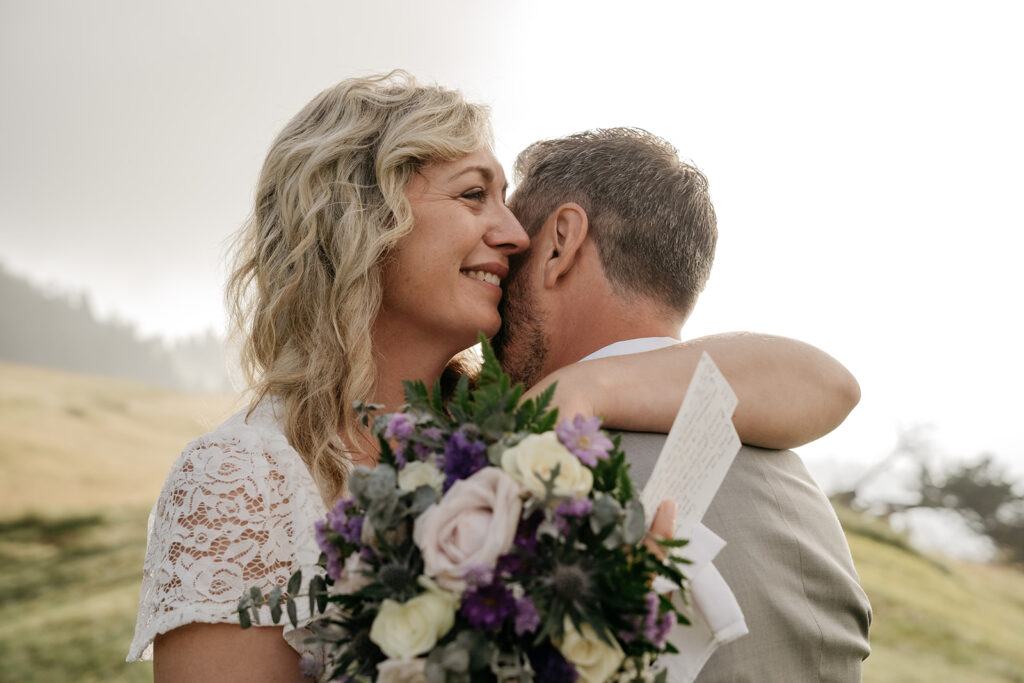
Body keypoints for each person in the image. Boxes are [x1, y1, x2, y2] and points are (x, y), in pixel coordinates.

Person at [127, 74, 860, 681]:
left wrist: (582, 394)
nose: (513, 233)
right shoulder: (241, 476)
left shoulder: (507, 433)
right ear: (363, 219)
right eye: (475, 194)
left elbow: (818, 380)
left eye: (507, 200)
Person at [495, 127, 873, 681]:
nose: (499, 274)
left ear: (559, 243)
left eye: (514, 249)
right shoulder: (798, 495)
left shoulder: (532, 481)